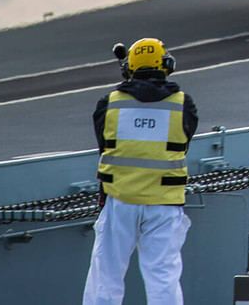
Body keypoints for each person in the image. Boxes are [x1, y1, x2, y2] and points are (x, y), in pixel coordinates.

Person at [83, 38, 199, 305]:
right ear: (166, 65)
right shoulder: (184, 105)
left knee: (106, 277)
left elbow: (104, 146)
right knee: (163, 278)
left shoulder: (108, 104)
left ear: (128, 69)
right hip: (164, 204)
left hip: (119, 202)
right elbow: (184, 141)